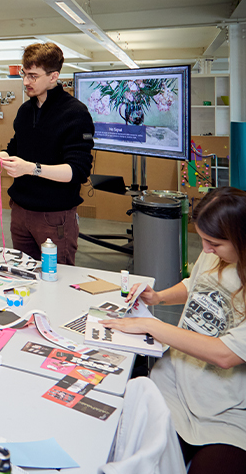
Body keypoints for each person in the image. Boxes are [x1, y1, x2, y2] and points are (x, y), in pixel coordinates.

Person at [100, 187, 246, 474]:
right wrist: (158, 297)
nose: (205, 250)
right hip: (173, 384)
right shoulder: (216, 254)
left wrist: (152, 326)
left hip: (226, 407)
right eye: (202, 239)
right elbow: (196, 285)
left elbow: (225, 355)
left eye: (214, 243)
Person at [0, 42, 93, 265]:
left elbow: (77, 171)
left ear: (53, 76)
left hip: (54, 216)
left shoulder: (75, 113)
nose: (25, 82)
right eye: (24, 73)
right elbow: (14, 152)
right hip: (20, 212)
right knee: (24, 273)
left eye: (33, 76)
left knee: (56, 278)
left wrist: (31, 168)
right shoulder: (25, 111)